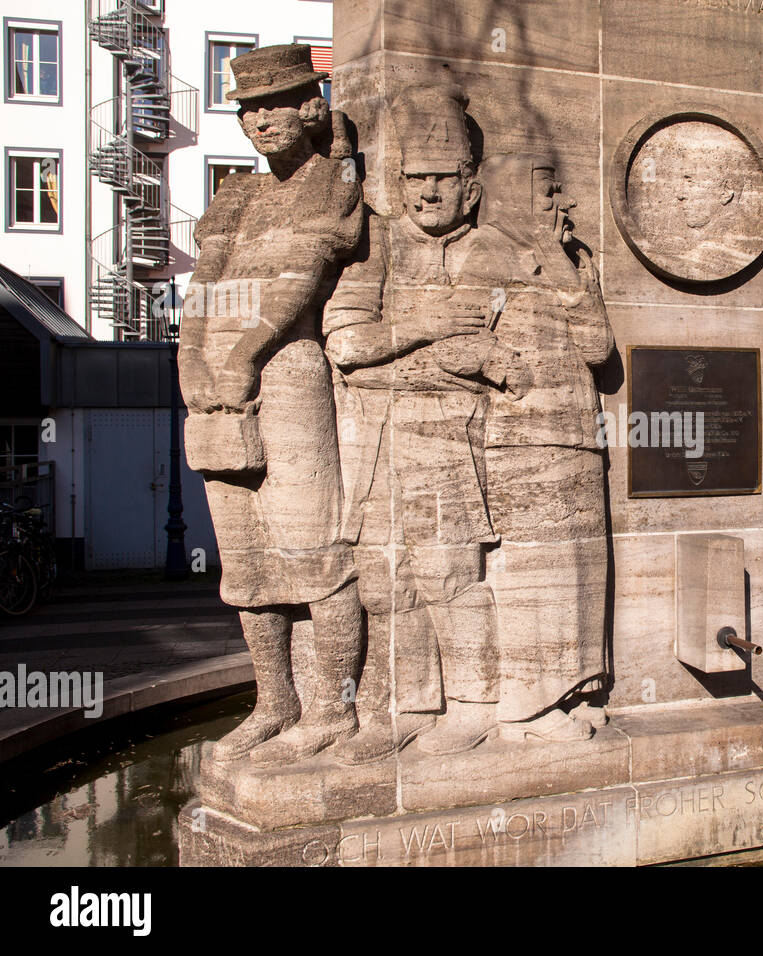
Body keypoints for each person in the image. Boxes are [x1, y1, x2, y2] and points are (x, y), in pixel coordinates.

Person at [322, 81, 529, 762]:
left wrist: (406, 355)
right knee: (385, 586)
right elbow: (346, 346)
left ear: (471, 184)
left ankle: (472, 707)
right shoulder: (375, 246)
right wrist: (425, 327)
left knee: (450, 580)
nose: (429, 193)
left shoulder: (495, 250)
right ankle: (405, 709)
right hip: (376, 447)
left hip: (453, 447)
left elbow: (482, 362)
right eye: (416, 178)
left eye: (444, 178)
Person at [177, 45, 365, 766]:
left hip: (286, 373)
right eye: (249, 109)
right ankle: (273, 702)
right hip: (216, 390)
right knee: (247, 561)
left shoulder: (333, 183)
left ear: (310, 107)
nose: (260, 120)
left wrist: (244, 355)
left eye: (276, 103)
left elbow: (300, 278)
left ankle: (332, 709)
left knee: (313, 548)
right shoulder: (237, 198)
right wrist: (193, 362)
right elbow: (203, 291)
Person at [457, 153, 615, 742]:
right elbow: (460, 338)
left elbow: (599, 348)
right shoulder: (486, 253)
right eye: (548, 191)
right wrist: (502, 369)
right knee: (531, 571)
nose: (562, 203)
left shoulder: (573, 261)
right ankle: (526, 709)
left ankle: (570, 690)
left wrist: (561, 268)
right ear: (512, 195)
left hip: (577, 434)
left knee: (579, 568)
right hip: (517, 440)